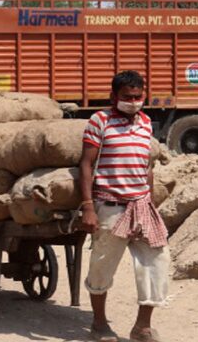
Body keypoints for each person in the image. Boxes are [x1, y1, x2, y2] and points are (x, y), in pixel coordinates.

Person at [79, 70, 170, 342]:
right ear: (113, 96)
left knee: (158, 262)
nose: (133, 101)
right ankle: (98, 324)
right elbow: (86, 164)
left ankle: (142, 327)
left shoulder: (145, 122)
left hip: (141, 206)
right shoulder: (100, 121)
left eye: (138, 96)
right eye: (127, 97)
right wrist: (88, 206)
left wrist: (151, 202)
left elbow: (147, 166)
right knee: (102, 266)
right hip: (110, 205)